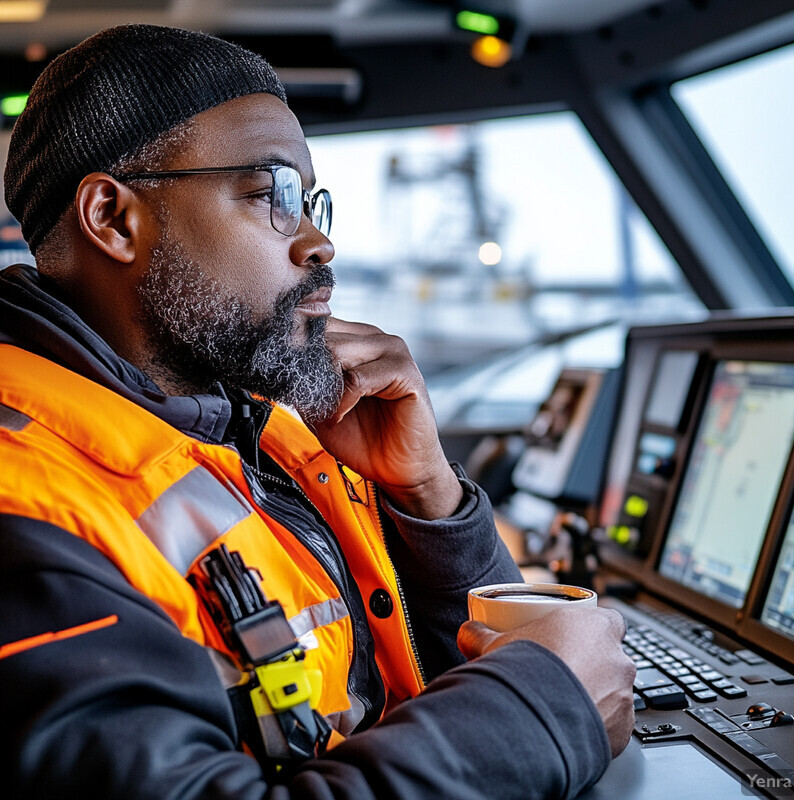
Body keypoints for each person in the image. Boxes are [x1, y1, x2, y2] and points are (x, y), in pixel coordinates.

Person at [0, 24, 635, 800]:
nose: (320, 242)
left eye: (315, 202)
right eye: (275, 195)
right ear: (113, 219)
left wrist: (427, 496)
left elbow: (432, 682)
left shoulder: (260, 426)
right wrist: (543, 711)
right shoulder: (26, 502)